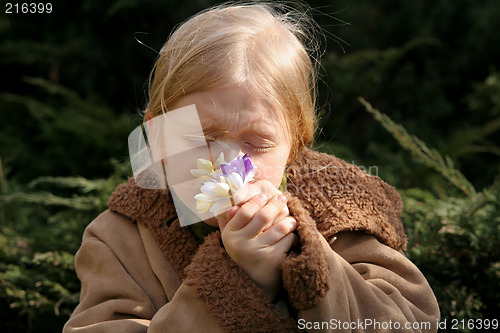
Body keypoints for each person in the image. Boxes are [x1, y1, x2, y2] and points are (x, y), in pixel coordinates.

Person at [63, 2, 440, 332]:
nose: (226, 164)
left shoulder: (342, 209)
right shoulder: (120, 238)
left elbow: (409, 321)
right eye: (200, 138)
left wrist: (303, 260)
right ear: (158, 136)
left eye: (256, 143)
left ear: (295, 143)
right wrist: (237, 279)